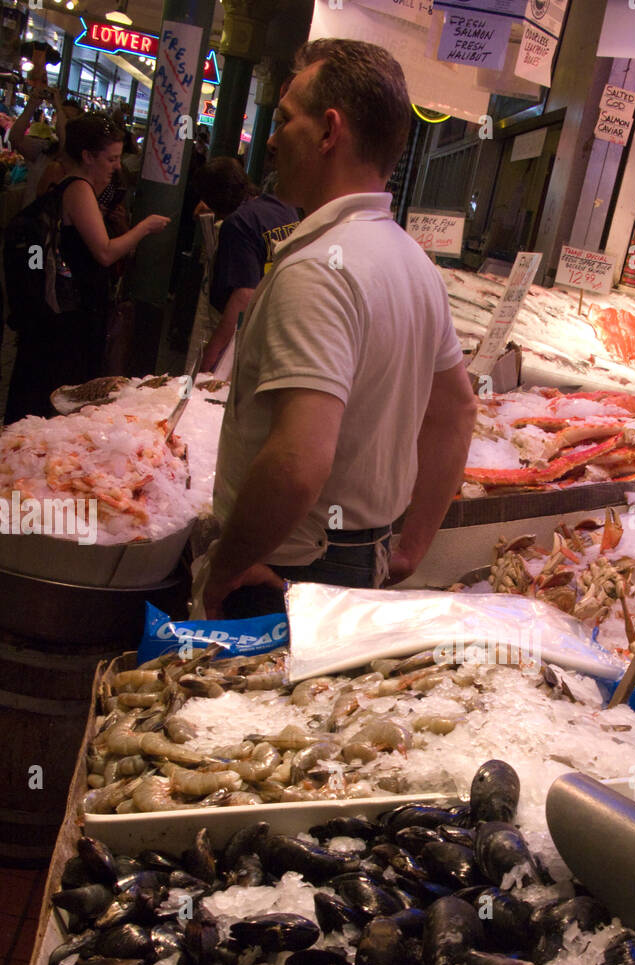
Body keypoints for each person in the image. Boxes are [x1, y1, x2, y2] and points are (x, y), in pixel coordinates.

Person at [202, 39, 477, 618]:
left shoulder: (317, 271)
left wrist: (225, 565)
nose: (272, 139)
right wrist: (414, 543)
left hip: (285, 570)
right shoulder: (414, 262)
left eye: (283, 120)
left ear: (329, 132)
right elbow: (457, 410)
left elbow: (298, 460)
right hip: (359, 558)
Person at [4, 116, 169, 423]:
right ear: (88, 156)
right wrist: (145, 227)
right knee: (59, 397)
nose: (117, 166)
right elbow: (105, 252)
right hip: (69, 320)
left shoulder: (76, 189)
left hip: (64, 315)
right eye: (111, 159)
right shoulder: (79, 189)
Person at [194, 157, 299, 374]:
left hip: (244, 339)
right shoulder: (282, 206)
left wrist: (210, 358)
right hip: (280, 328)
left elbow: (244, 295)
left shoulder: (238, 224)